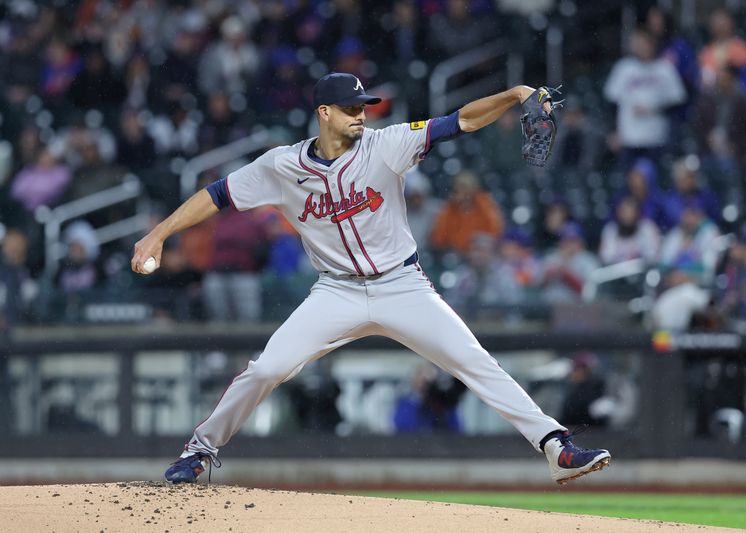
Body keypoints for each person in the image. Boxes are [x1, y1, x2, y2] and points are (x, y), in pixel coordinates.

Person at [131, 72, 610, 485]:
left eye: (363, 106)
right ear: (323, 112)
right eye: (349, 108)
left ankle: (555, 447)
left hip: (401, 285)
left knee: (473, 359)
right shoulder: (282, 165)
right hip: (335, 290)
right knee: (266, 369)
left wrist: (514, 94)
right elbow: (217, 195)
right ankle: (199, 450)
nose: (360, 115)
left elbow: (461, 120)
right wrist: (158, 234)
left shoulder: (386, 144)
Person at [603, 28, 686, 169]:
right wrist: (612, 131)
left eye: (642, 43)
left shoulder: (665, 68)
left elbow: (678, 103)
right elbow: (611, 103)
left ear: (652, 44)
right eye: (636, 43)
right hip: (628, 137)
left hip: (657, 137)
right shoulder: (624, 68)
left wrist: (654, 109)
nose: (639, 47)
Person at [599, 196, 660, 266]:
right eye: (624, 212)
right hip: (618, 273)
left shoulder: (647, 227)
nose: (627, 216)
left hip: (643, 271)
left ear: (637, 213)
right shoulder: (610, 230)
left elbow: (652, 257)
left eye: (630, 211)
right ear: (618, 213)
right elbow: (605, 259)